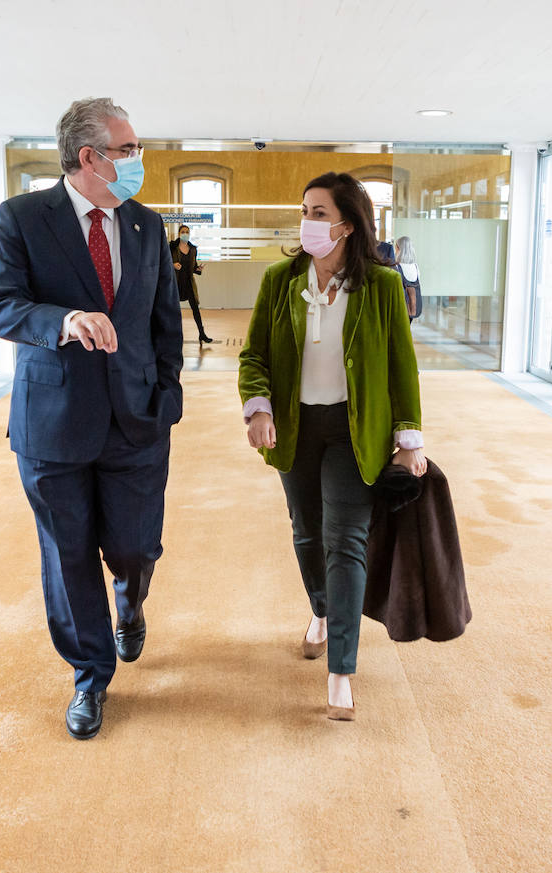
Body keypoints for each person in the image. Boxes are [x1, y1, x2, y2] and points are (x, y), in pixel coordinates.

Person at [0, 97, 183, 741]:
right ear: (89, 157)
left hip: (136, 419)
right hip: (54, 423)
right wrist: (62, 322)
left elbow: (164, 324)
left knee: (131, 545)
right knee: (68, 556)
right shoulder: (22, 218)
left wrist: (168, 398)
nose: (137, 161)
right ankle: (89, 676)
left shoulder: (148, 226)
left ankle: (133, 597)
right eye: (128, 150)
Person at [238, 172, 426, 722]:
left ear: (347, 223)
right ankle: (320, 610)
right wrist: (259, 407)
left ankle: (341, 670)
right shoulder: (280, 280)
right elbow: (253, 356)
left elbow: (401, 367)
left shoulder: (382, 286)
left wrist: (408, 438)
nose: (307, 222)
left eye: (318, 212)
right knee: (306, 531)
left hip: (353, 430)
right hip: (296, 427)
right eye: (305, 211)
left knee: (345, 540)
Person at [170, 224, 213, 343]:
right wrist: (172, 265)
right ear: (179, 234)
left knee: (195, 309)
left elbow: (193, 267)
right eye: (183, 232)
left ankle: (202, 333)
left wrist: (198, 269)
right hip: (175, 283)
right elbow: (164, 262)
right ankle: (173, 335)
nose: (185, 234)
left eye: (187, 232)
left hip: (189, 283)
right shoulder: (172, 247)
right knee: (173, 310)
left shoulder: (193, 249)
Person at [393, 236, 423, 321]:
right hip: (413, 308)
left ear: (399, 249)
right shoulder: (416, 267)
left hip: (401, 308)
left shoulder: (397, 266)